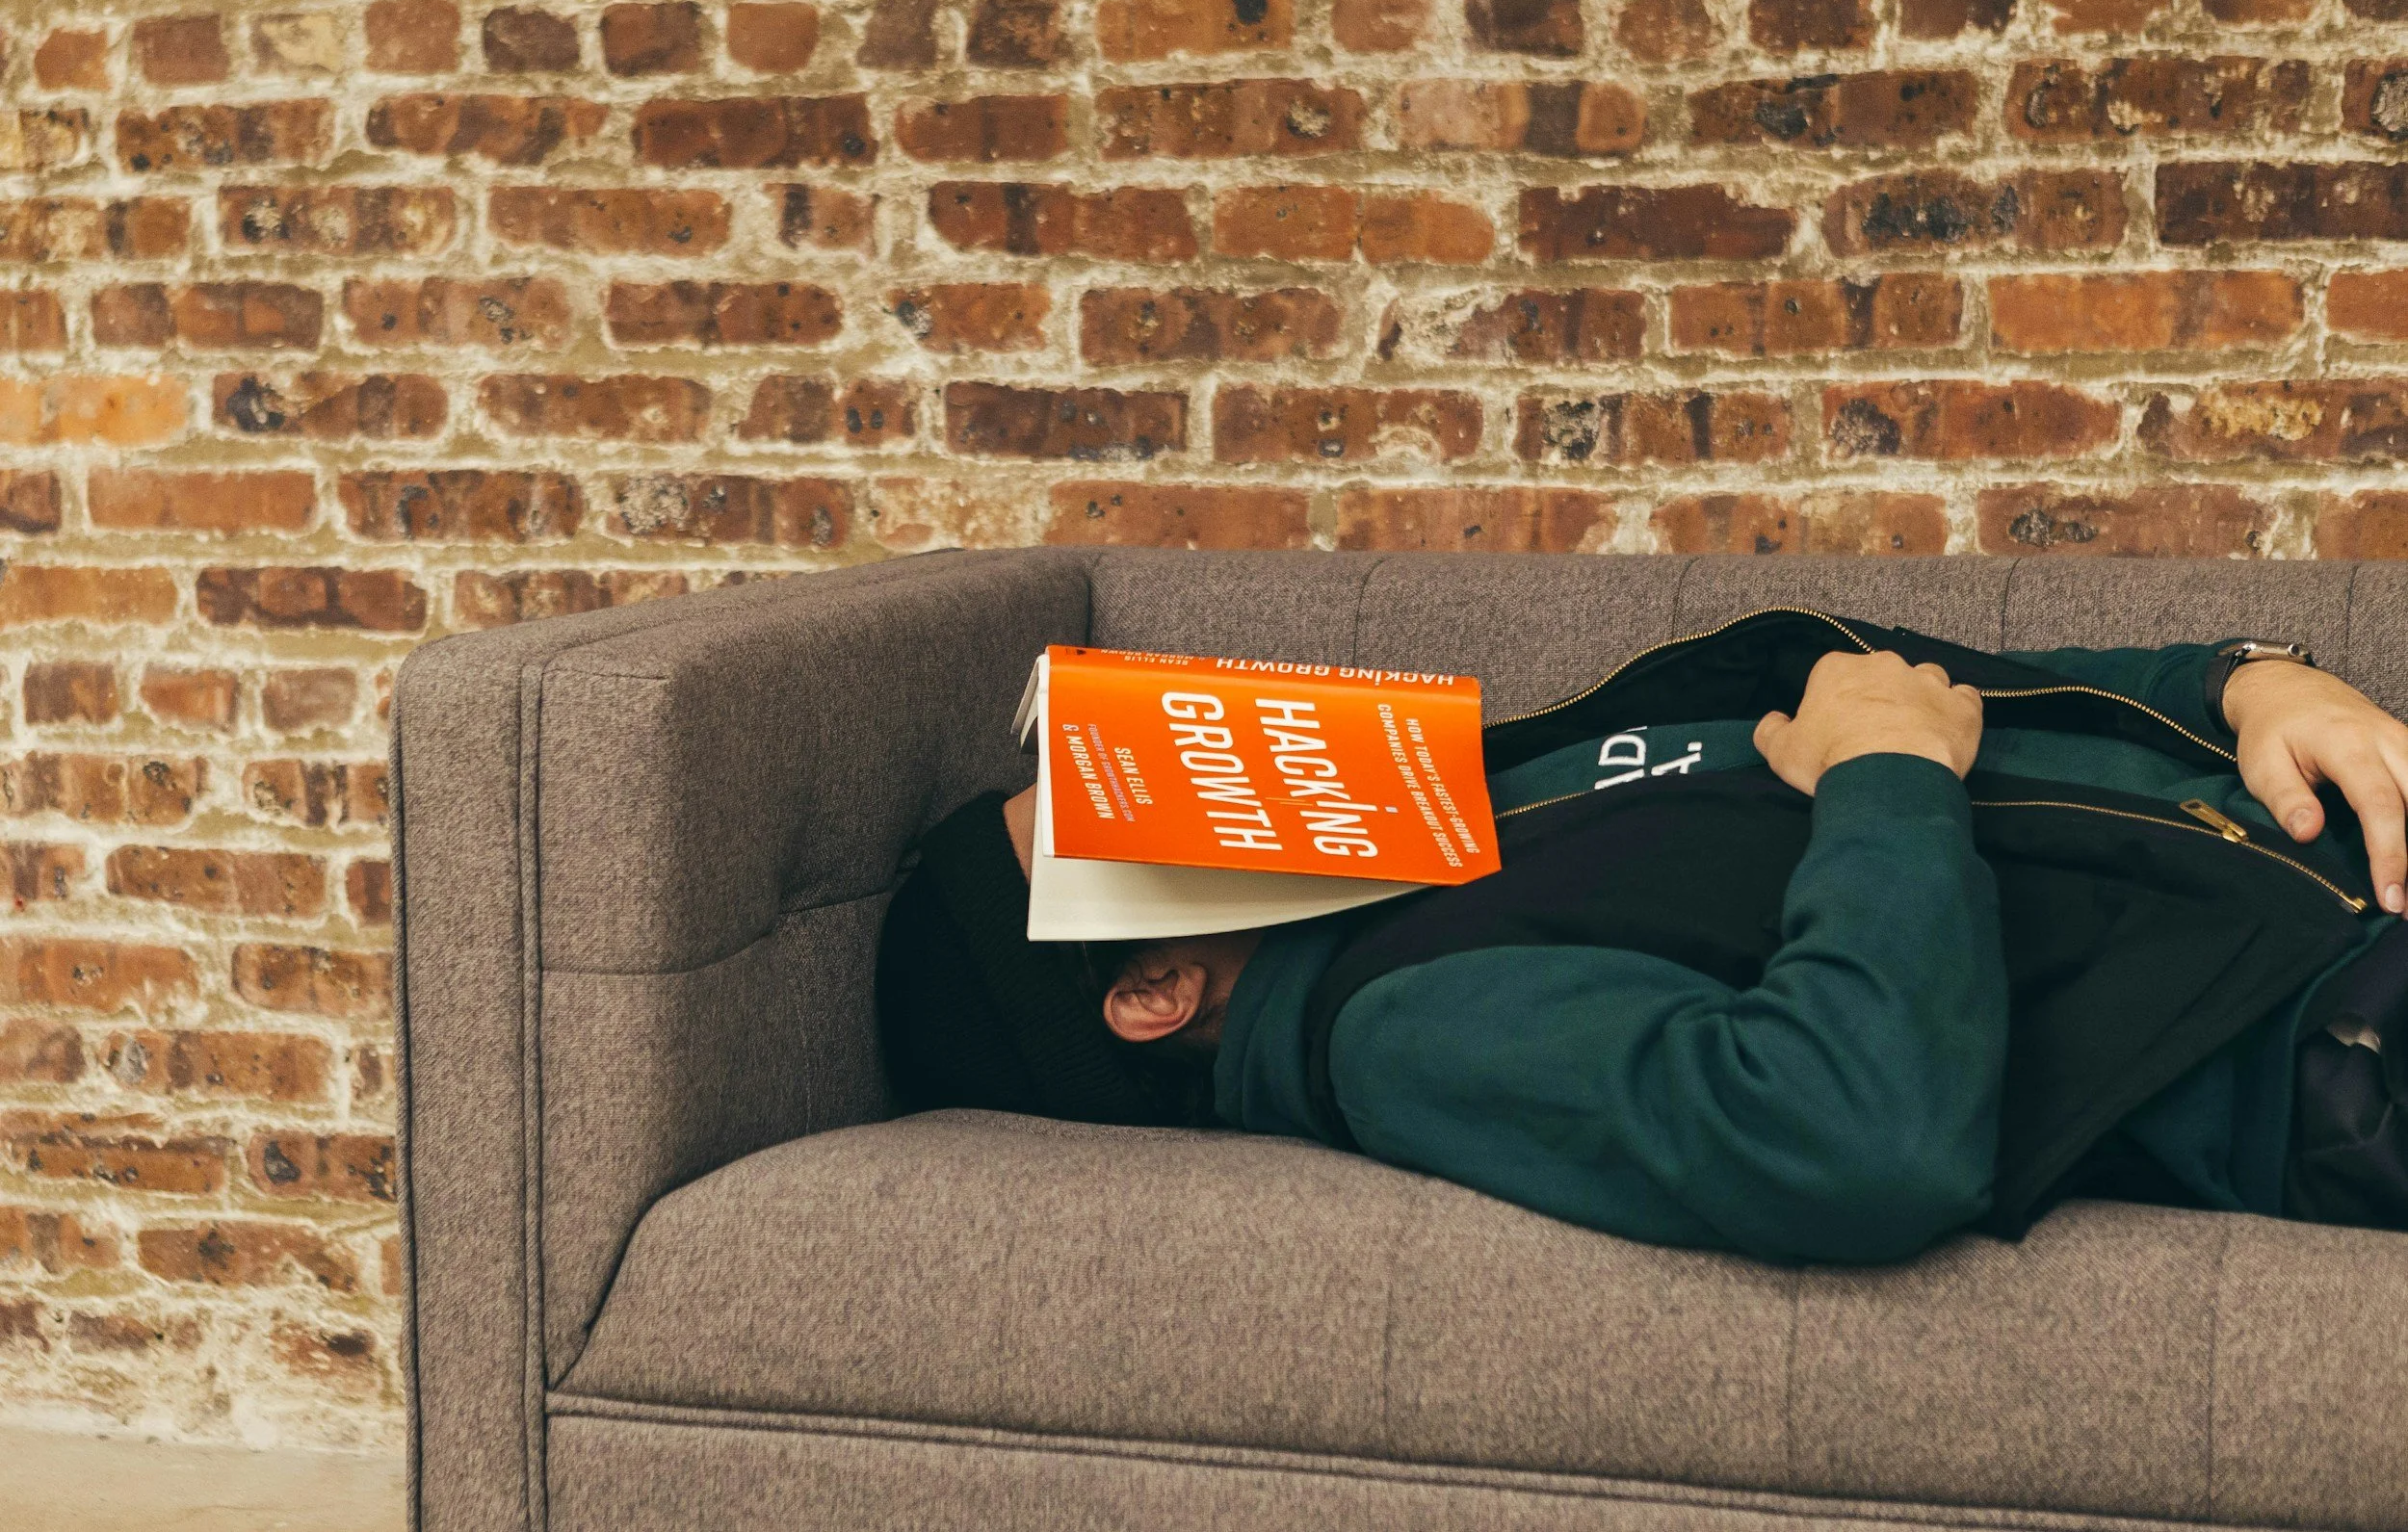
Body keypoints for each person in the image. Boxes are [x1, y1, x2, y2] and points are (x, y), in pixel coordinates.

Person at [876, 617, 2408, 1264]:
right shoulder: (1394, 1026)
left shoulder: (1469, 805)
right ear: (1150, 989)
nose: (1184, 767)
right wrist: (1880, 783)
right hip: (2328, 1029)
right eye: (1103, 816)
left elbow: (1868, 678)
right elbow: (1849, 1132)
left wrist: (2243, 680)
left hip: (2333, 836)